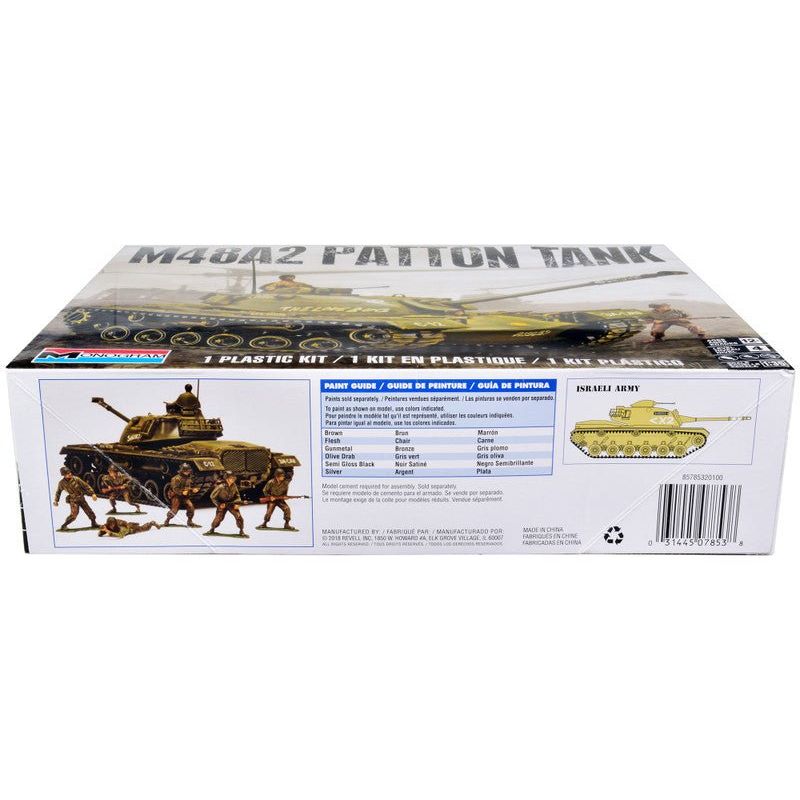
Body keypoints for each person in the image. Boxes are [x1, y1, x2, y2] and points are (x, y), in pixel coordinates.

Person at [54, 466, 99, 531]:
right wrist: (56, 500)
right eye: (67, 473)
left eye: (70, 472)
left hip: (81, 498)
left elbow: (86, 486)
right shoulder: (62, 483)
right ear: (64, 475)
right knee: (74, 515)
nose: (70, 474)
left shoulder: (76, 479)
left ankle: (94, 523)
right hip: (73, 500)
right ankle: (64, 525)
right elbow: (58, 492)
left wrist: (92, 493)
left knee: (89, 511)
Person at [205, 471, 247, 537]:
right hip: (222, 504)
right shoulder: (220, 487)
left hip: (232, 504)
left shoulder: (234, 486)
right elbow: (212, 496)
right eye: (231, 478)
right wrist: (219, 504)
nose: (233, 479)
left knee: (238, 517)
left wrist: (237, 503)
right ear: (227, 479)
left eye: (234, 478)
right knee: (219, 518)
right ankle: (212, 529)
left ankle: (241, 530)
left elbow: (237, 496)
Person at [163, 462, 201, 527]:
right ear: (182, 471)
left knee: (191, 507)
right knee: (174, 510)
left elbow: (193, 485)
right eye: (186, 471)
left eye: (188, 471)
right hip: (176, 496)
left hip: (185, 496)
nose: (187, 472)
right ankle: (167, 520)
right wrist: (182, 492)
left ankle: (189, 521)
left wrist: (194, 489)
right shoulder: (176, 478)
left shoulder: (189, 478)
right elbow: (175, 488)